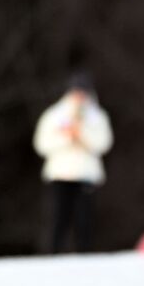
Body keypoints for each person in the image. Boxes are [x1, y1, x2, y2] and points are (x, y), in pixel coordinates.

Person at [33, 72, 113, 253]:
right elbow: (42, 144)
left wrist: (81, 135)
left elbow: (104, 143)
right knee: (58, 219)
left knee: (84, 221)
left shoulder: (97, 117)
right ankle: (52, 255)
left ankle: (84, 258)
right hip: (60, 174)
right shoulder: (54, 115)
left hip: (86, 175)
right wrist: (67, 138)